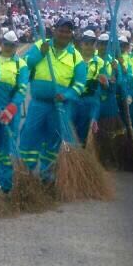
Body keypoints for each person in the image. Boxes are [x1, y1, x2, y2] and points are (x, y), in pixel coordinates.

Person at [19, 17, 87, 180]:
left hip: (60, 106)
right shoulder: (40, 46)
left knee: (53, 140)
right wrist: (40, 54)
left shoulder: (76, 56)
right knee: (29, 135)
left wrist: (67, 95)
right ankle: (25, 173)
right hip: (38, 104)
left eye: (68, 31)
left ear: (71, 34)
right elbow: (23, 65)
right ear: (55, 31)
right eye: (61, 30)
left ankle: (47, 176)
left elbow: (80, 84)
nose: (64, 34)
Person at [0, 30, 29, 192]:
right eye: (6, 44)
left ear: (16, 46)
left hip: (10, 112)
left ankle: (5, 184)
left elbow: (22, 89)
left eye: (12, 45)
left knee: (8, 147)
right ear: (1, 42)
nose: (9, 47)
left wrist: (11, 109)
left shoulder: (21, 65)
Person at [71, 30, 100, 146]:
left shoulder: (101, 63)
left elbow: (108, 85)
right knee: (70, 129)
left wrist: (110, 81)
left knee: (84, 132)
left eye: (91, 44)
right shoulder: (72, 60)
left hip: (89, 101)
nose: (88, 46)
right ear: (81, 44)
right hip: (73, 100)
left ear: (95, 45)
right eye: (86, 43)